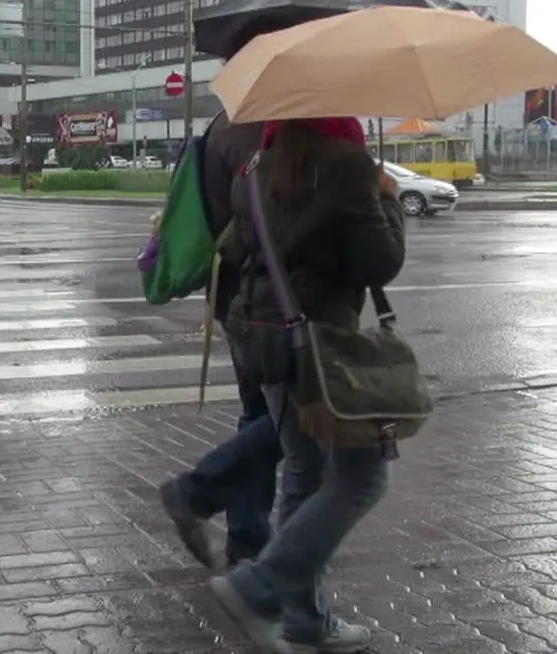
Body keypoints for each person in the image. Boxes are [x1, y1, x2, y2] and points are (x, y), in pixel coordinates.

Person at [209, 117, 406, 654]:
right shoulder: (346, 167)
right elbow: (380, 261)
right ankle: (260, 585)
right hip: (322, 347)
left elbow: (238, 247)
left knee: (303, 471)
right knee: (362, 479)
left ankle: (305, 621)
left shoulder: (254, 169)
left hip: (266, 342)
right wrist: (386, 198)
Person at [158, 110, 280, 569]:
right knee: (294, 413)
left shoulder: (226, 122)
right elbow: (265, 218)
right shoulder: (262, 131)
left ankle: (248, 537)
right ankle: (198, 494)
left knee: (263, 410)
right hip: (264, 294)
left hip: (237, 288)